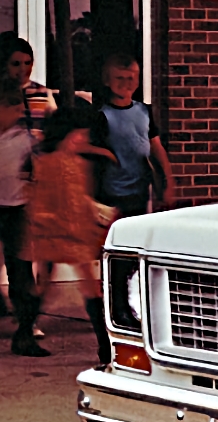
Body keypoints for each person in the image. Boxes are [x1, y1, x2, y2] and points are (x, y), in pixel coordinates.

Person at [23, 107, 115, 362]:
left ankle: (25, 330)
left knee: (50, 284)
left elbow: (79, 199)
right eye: (79, 136)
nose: (82, 140)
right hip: (59, 233)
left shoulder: (74, 163)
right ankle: (104, 347)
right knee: (82, 286)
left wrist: (98, 212)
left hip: (69, 233)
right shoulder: (49, 165)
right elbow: (41, 200)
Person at [90, 51, 176, 216]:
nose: (125, 83)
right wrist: (107, 154)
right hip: (113, 193)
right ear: (107, 80)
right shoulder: (102, 116)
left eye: (130, 78)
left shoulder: (144, 111)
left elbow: (156, 147)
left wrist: (168, 182)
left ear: (137, 81)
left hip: (141, 190)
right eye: (119, 78)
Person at [0, 87, 40, 351]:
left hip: (18, 209)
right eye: (9, 108)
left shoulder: (25, 139)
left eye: (17, 109)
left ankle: (25, 331)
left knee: (21, 272)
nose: (14, 114)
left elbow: (36, 169)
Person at [1, 36, 56, 142]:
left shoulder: (43, 93)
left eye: (27, 63)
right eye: (16, 64)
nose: (23, 69)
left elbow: (55, 127)